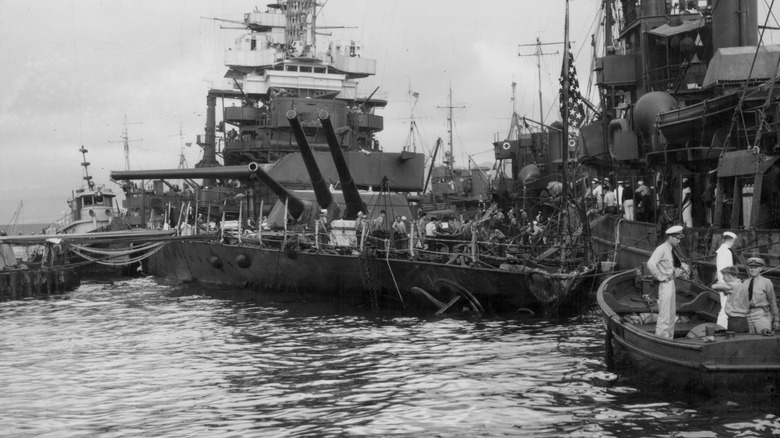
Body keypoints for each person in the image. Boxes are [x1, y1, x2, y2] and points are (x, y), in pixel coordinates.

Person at [646, 225, 690, 339]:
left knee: (671, 316)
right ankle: (661, 340)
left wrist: (681, 267)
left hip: (671, 283)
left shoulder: (670, 250)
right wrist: (660, 277)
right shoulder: (661, 249)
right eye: (677, 238)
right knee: (664, 316)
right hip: (665, 285)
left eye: (680, 238)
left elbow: (670, 265)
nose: (679, 241)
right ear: (670, 237)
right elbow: (650, 264)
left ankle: (669, 339)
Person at [743, 257, 780, 334]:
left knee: (764, 338)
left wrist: (776, 319)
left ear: (760, 269)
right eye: (751, 267)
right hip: (748, 316)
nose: (753, 270)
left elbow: (772, 301)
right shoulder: (745, 282)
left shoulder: (766, 282)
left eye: (755, 267)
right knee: (748, 340)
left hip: (762, 315)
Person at [711, 266, 749, 333]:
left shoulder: (732, 285)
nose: (723, 278)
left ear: (729, 276)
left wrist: (721, 286)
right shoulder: (743, 285)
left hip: (735, 322)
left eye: (724, 276)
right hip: (745, 321)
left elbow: (714, 286)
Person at [714, 231, 738, 327]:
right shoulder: (726, 252)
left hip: (725, 282)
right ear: (732, 240)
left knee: (725, 306)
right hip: (726, 283)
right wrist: (727, 285)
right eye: (733, 241)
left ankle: (723, 328)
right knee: (725, 307)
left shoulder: (722, 251)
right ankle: (721, 328)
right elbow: (724, 270)